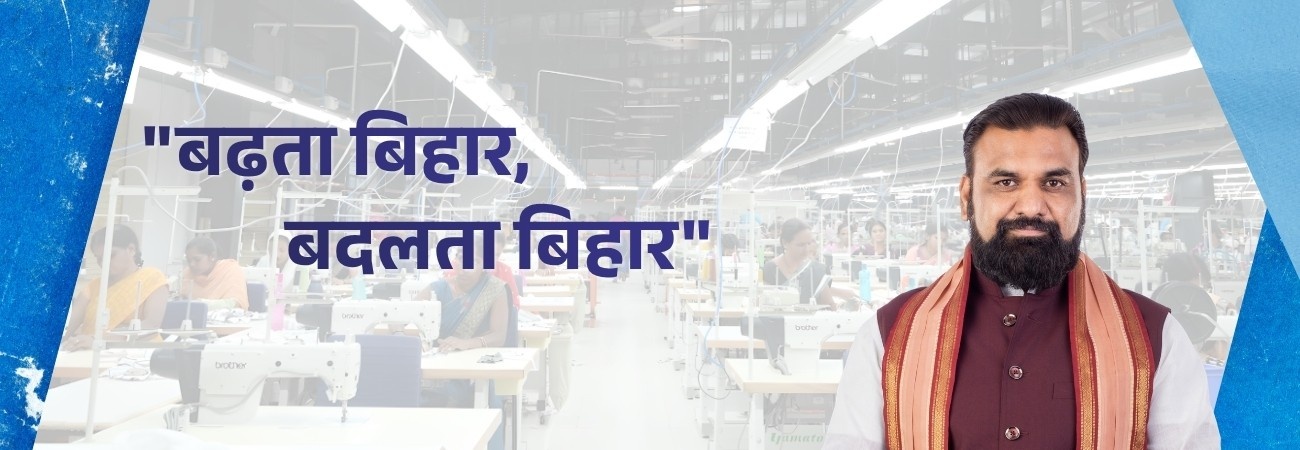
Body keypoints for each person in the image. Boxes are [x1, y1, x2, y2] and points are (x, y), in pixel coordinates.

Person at [825, 93, 1219, 448]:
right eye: (1006, 182)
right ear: (966, 197)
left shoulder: (1156, 338)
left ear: (1082, 195)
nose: (1031, 205)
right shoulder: (888, 337)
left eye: (1054, 182)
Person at [62, 226, 170, 350]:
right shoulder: (93, 287)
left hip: (137, 353)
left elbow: (151, 326)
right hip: (89, 352)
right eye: (99, 258)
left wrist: (98, 340)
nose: (103, 263)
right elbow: (66, 327)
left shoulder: (152, 277)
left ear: (131, 250)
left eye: (110, 255)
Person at [762, 218, 860, 310]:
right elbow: (764, 307)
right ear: (785, 243)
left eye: (808, 243)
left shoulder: (817, 270)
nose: (806, 250)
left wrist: (847, 307)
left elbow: (829, 308)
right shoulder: (771, 270)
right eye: (800, 245)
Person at [179, 236, 249, 310]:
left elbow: (235, 304)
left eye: (197, 260)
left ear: (212, 256)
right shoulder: (187, 273)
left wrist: (199, 304)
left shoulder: (230, 270)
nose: (192, 264)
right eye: (189, 260)